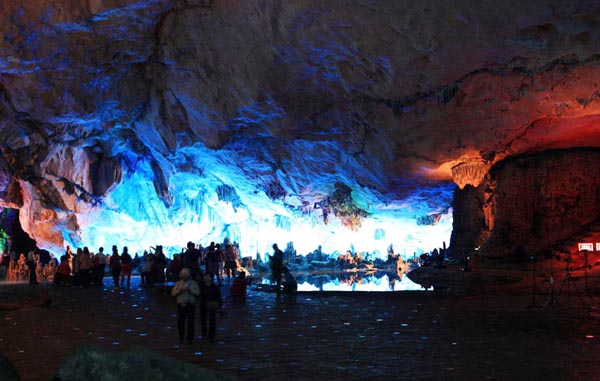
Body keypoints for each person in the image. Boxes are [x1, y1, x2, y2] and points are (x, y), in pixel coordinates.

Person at [171, 268, 200, 344]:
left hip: (190, 304)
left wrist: (190, 290)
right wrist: (180, 290)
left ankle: (190, 338)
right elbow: (173, 293)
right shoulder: (178, 283)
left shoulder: (193, 283)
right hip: (181, 304)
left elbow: (197, 293)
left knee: (191, 322)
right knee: (180, 322)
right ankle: (181, 335)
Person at [200, 272, 222, 342]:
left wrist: (219, 304)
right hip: (203, 305)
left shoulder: (214, 287)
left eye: (208, 276)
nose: (206, 278)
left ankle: (211, 336)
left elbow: (218, 296)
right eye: (205, 276)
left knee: (212, 320)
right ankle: (204, 334)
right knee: (203, 321)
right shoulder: (201, 286)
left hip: (212, 304)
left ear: (211, 278)